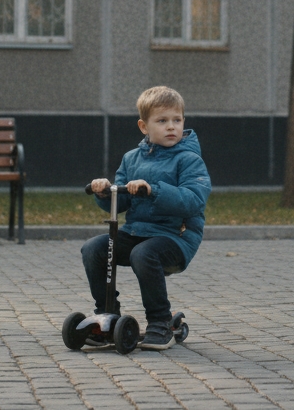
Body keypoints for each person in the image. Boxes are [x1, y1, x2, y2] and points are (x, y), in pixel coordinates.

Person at [82, 85, 211, 350]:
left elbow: (194, 199)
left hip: (176, 237)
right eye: (162, 121)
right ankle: (107, 315)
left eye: (177, 120)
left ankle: (160, 321)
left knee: (144, 253)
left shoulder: (189, 160)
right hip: (138, 232)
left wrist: (154, 189)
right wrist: (105, 192)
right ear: (144, 126)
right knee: (94, 248)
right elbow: (121, 201)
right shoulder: (131, 159)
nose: (171, 127)